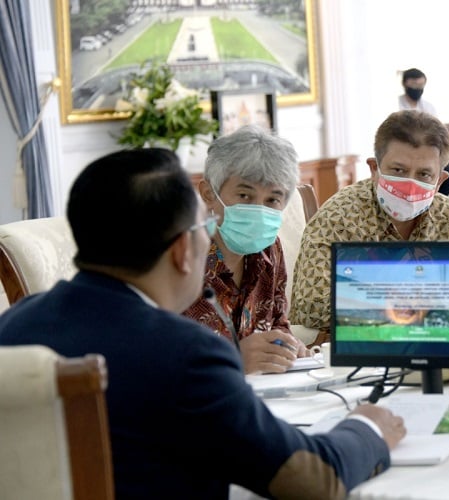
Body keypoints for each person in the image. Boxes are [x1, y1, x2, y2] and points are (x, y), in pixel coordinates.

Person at [0, 148, 406, 499]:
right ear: (182, 249)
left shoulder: (14, 325)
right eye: (205, 228)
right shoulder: (186, 355)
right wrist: (366, 428)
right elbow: (315, 480)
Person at [290, 110, 449, 345]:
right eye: (398, 171)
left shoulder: (444, 213)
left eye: (424, 174)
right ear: (374, 169)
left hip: (428, 341)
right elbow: (310, 305)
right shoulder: (340, 215)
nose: (410, 185)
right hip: (357, 344)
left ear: (440, 180)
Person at [183, 125, 309, 374]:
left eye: (272, 199)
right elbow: (158, 359)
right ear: (209, 193)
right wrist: (233, 358)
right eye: (244, 195)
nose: (259, 210)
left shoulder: (269, 249)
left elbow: (277, 323)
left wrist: (288, 346)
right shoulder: (181, 259)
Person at [398, 68, 449, 196]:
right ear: (405, 84)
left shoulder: (428, 107)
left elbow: (437, 130)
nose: (417, 89)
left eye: (421, 85)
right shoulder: (396, 104)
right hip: (405, 153)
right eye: (414, 85)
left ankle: (431, 204)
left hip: (429, 152)